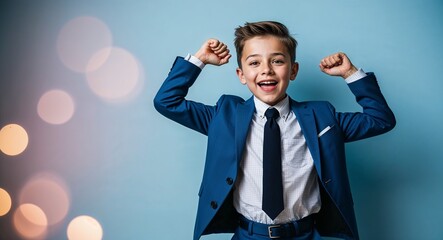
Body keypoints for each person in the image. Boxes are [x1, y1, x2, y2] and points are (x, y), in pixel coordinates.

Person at [154, 21, 395, 240]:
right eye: (254, 62)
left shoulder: (322, 117)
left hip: (306, 234)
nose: (267, 69)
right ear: (241, 74)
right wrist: (200, 59)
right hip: (249, 234)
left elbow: (380, 119)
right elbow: (167, 101)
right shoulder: (223, 116)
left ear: (293, 70)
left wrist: (350, 74)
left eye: (277, 61)